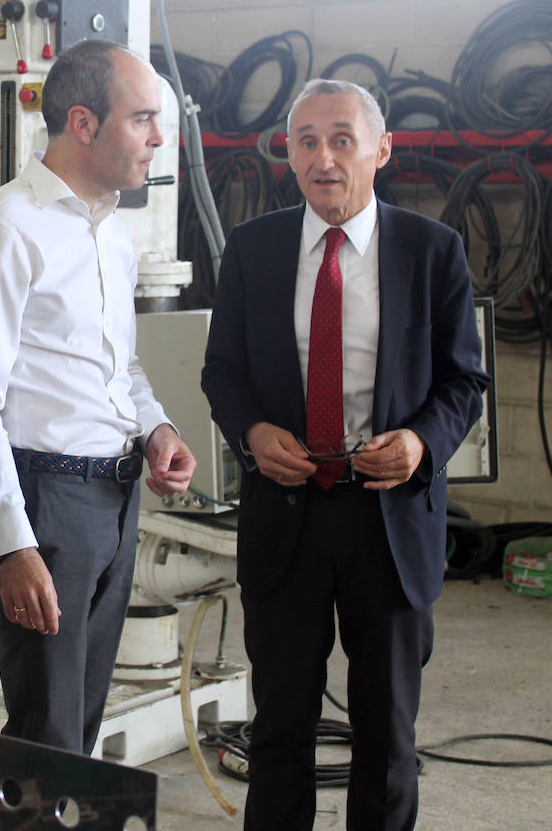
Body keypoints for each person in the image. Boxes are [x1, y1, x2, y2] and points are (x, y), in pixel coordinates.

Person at [200, 78, 490, 830]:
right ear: (288, 155)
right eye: (305, 141)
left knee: (387, 732)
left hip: (386, 522)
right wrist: (255, 436)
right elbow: (222, 372)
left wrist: (423, 440)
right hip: (287, 515)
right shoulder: (254, 250)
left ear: (381, 151)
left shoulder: (433, 253)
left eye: (341, 139)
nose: (322, 158)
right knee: (280, 728)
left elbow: (465, 380)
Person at [0, 39, 197, 818]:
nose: (158, 138)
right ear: (83, 123)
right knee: (45, 744)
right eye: (144, 119)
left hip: (113, 500)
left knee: (73, 740)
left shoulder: (108, 232)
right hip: (47, 503)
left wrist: (154, 430)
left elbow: (118, 373)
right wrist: (12, 545)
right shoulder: (5, 230)